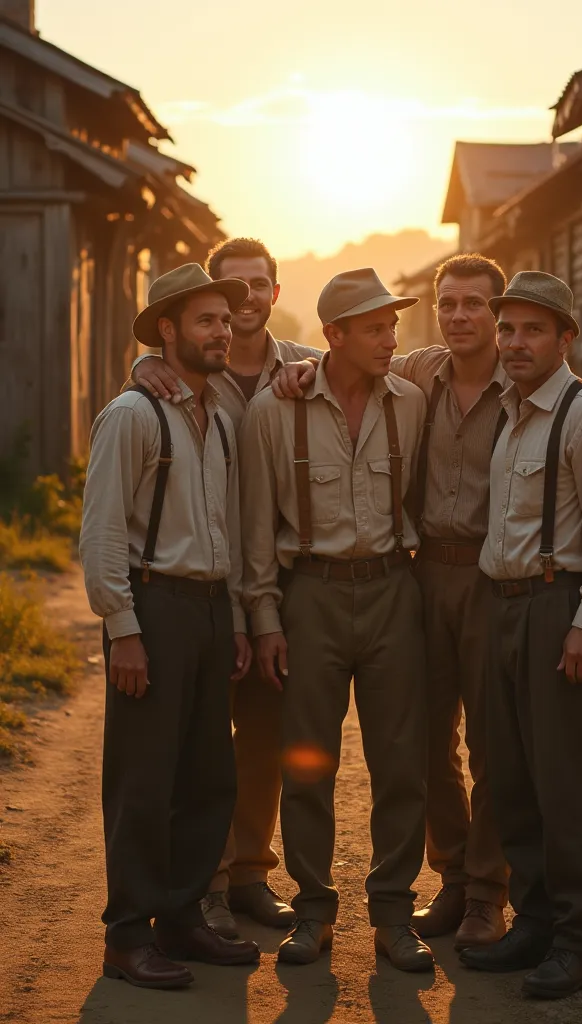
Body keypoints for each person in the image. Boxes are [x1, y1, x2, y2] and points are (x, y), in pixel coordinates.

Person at [271, 253, 511, 949]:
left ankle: (472, 898)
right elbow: (307, 356)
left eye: (476, 304)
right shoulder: (417, 374)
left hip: (470, 578)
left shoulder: (511, 384)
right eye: (450, 303)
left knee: (466, 746)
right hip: (391, 577)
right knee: (412, 747)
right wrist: (302, 368)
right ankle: (433, 883)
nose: (460, 315)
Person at [459, 271, 582, 1000]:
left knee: (566, 781)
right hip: (503, 605)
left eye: (532, 329)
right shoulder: (512, 412)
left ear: (567, 338)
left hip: (560, 607)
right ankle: (533, 921)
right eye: (507, 329)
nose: (513, 342)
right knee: (510, 774)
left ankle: (576, 942)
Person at [240, 268, 434, 972]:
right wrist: (265, 617)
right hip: (309, 595)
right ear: (334, 337)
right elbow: (257, 528)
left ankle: (393, 915)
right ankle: (313, 912)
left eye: (393, 325)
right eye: (376, 327)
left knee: (400, 760)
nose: (392, 338)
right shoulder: (273, 410)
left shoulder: (411, 402)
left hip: (391, 589)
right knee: (307, 763)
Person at [128, 238, 323, 937]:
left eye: (259, 285)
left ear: (272, 293)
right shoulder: (178, 379)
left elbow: (388, 370)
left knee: (265, 733)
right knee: (203, 739)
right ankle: (201, 885)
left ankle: (248, 876)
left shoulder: (306, 367)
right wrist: (143, 360)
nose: (246, 299)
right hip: (208, 579)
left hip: (277, 582)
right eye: (231, 288)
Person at [80, 264, 260, 990]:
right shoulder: (132, 414)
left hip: (212, 607)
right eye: (207, 321)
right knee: (143, 780)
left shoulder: (217, 412)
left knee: (209, 775)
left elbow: (228, 529)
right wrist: (123, 628)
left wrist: (240, 620)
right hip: (152, 606)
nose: (223, 332)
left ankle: (182, 916)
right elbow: (100, 536)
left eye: (227, 320)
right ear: (167, 330)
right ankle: (126, 936)